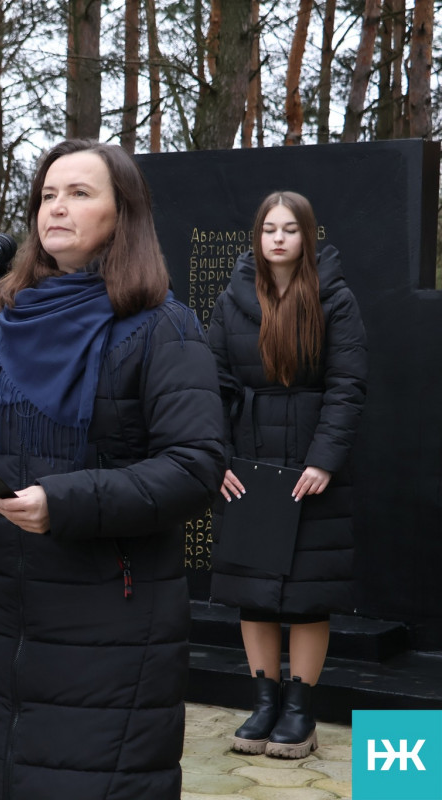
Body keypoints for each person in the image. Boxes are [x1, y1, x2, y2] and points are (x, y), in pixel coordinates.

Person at [0, 140, 225, 799]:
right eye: (48, 194)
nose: (57, 207)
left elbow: (195, 468)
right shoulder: (11, 322)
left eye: (80, 193)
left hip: (111, 629)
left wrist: (65, 501)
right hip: (3, 625)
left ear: (122, 213)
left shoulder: (165, 328)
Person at [209, 191, 367, 759]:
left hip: (309, 467)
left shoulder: (335, 298)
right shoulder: (231, 300)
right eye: (269, 229)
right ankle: (265, 702)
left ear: (307, 236)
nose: (278, 238)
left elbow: (347, 385)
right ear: (257, 236)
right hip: (248, 463)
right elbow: (214, 383)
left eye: (291, 229)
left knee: (305, 595)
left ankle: (300, 711)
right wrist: (218, 457)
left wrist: (324, 458)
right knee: (253, 594)